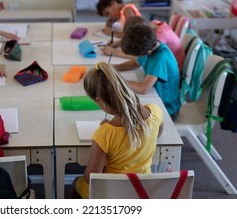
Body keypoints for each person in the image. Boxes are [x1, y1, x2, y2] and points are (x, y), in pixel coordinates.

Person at [69, 62, 164, 199]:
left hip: (112, 195)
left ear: (99, 101)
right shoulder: (155, 111)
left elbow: (91, 177)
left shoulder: (105, 133)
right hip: (143, 191)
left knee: (77, 183)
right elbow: (158, 134)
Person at [116, 20, 181, 119]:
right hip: (156, 98)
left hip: (167, 108)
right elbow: (135, 63)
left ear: (148, 52)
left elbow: (143, 88)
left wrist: (117, 80)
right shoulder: (150, 45)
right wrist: (114, 68)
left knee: (125, 115)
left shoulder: (160, 57)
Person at [101, 16, 185, 73]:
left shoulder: (159, 37)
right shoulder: (153, 26)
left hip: (169, 73)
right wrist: (120, 43)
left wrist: (114, 51)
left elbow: (140, 54)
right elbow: (138, 60)